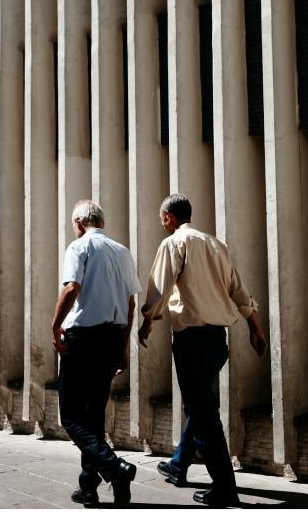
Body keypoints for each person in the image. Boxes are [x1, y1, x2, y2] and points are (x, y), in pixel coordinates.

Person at [138, 194, 268, 508]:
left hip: (192, 341)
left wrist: (148, 321)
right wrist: (255, 327)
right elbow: (238, 288)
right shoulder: (215, 244)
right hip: (217, 341)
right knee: (202, 405)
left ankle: (224, 487)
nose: (162, 225)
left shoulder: (174, 244)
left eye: (162, 220)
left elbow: (160, 286)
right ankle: (179, 465)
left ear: (168, 217)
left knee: (203, 412)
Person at [52, 200, 141, 508]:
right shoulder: (122, 251)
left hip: (83, 339)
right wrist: (123, 347)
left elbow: (71, 288)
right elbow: (130, 305)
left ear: (79, 222)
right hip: (112, 338)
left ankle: (115, 468)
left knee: (71, 416)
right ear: (100, 221)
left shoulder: (79, 247)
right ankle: (90, 487)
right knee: (94, 416)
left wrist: (55, 326)